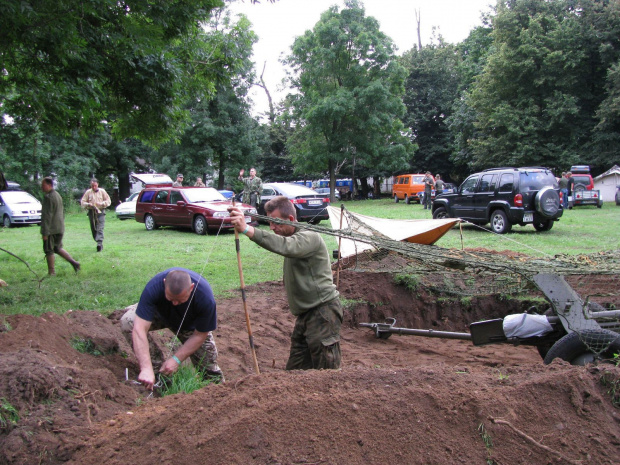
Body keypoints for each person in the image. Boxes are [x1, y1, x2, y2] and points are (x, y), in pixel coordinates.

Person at [229, 196, 343, 371]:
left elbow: (285, 246)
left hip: (323, 312)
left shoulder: (309, 237)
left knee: (326, 372)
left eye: (276, 223)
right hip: (305, 314)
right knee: (294, 372)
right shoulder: (293, 235)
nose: (272, 227)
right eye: (270, 223)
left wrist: (246, 229)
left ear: (291, 219)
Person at [120, 268, 222, 390]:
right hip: (160, 315)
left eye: (180, 299)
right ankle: (157, 374)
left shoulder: (205, 297)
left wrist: (176, 360)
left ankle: (218, 392)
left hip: (190, 325)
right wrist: (146, 367)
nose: (174, 303)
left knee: (209, 368)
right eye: (170, 298)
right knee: (128, 322)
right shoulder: (153, 287)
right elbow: (139, 329)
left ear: (191, 288)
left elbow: (200, 335)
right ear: (164, 284)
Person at [40, 177, 80, 275]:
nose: (42, 187)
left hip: (51, 229)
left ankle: (51, 272)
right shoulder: (57, 195)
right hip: (60, 227)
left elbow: (47, 216)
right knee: (57, 248)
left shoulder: (48, 197)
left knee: (49, 250)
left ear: (49, 185)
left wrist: (45, 232)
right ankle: (74, 263)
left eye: (43, 185)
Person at [80, 178, 111, 252]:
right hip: (92, 212)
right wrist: (88, 204)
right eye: (92, 186)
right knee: (94, 228)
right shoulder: (88, 192)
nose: (94, 187)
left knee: (100, 227)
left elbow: (108, 201)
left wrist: (102, 203)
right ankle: (97, 241)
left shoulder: (102, 191)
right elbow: (82, 202)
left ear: (98, 184)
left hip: (100, 211)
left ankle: (99, 244)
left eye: (95, 185)